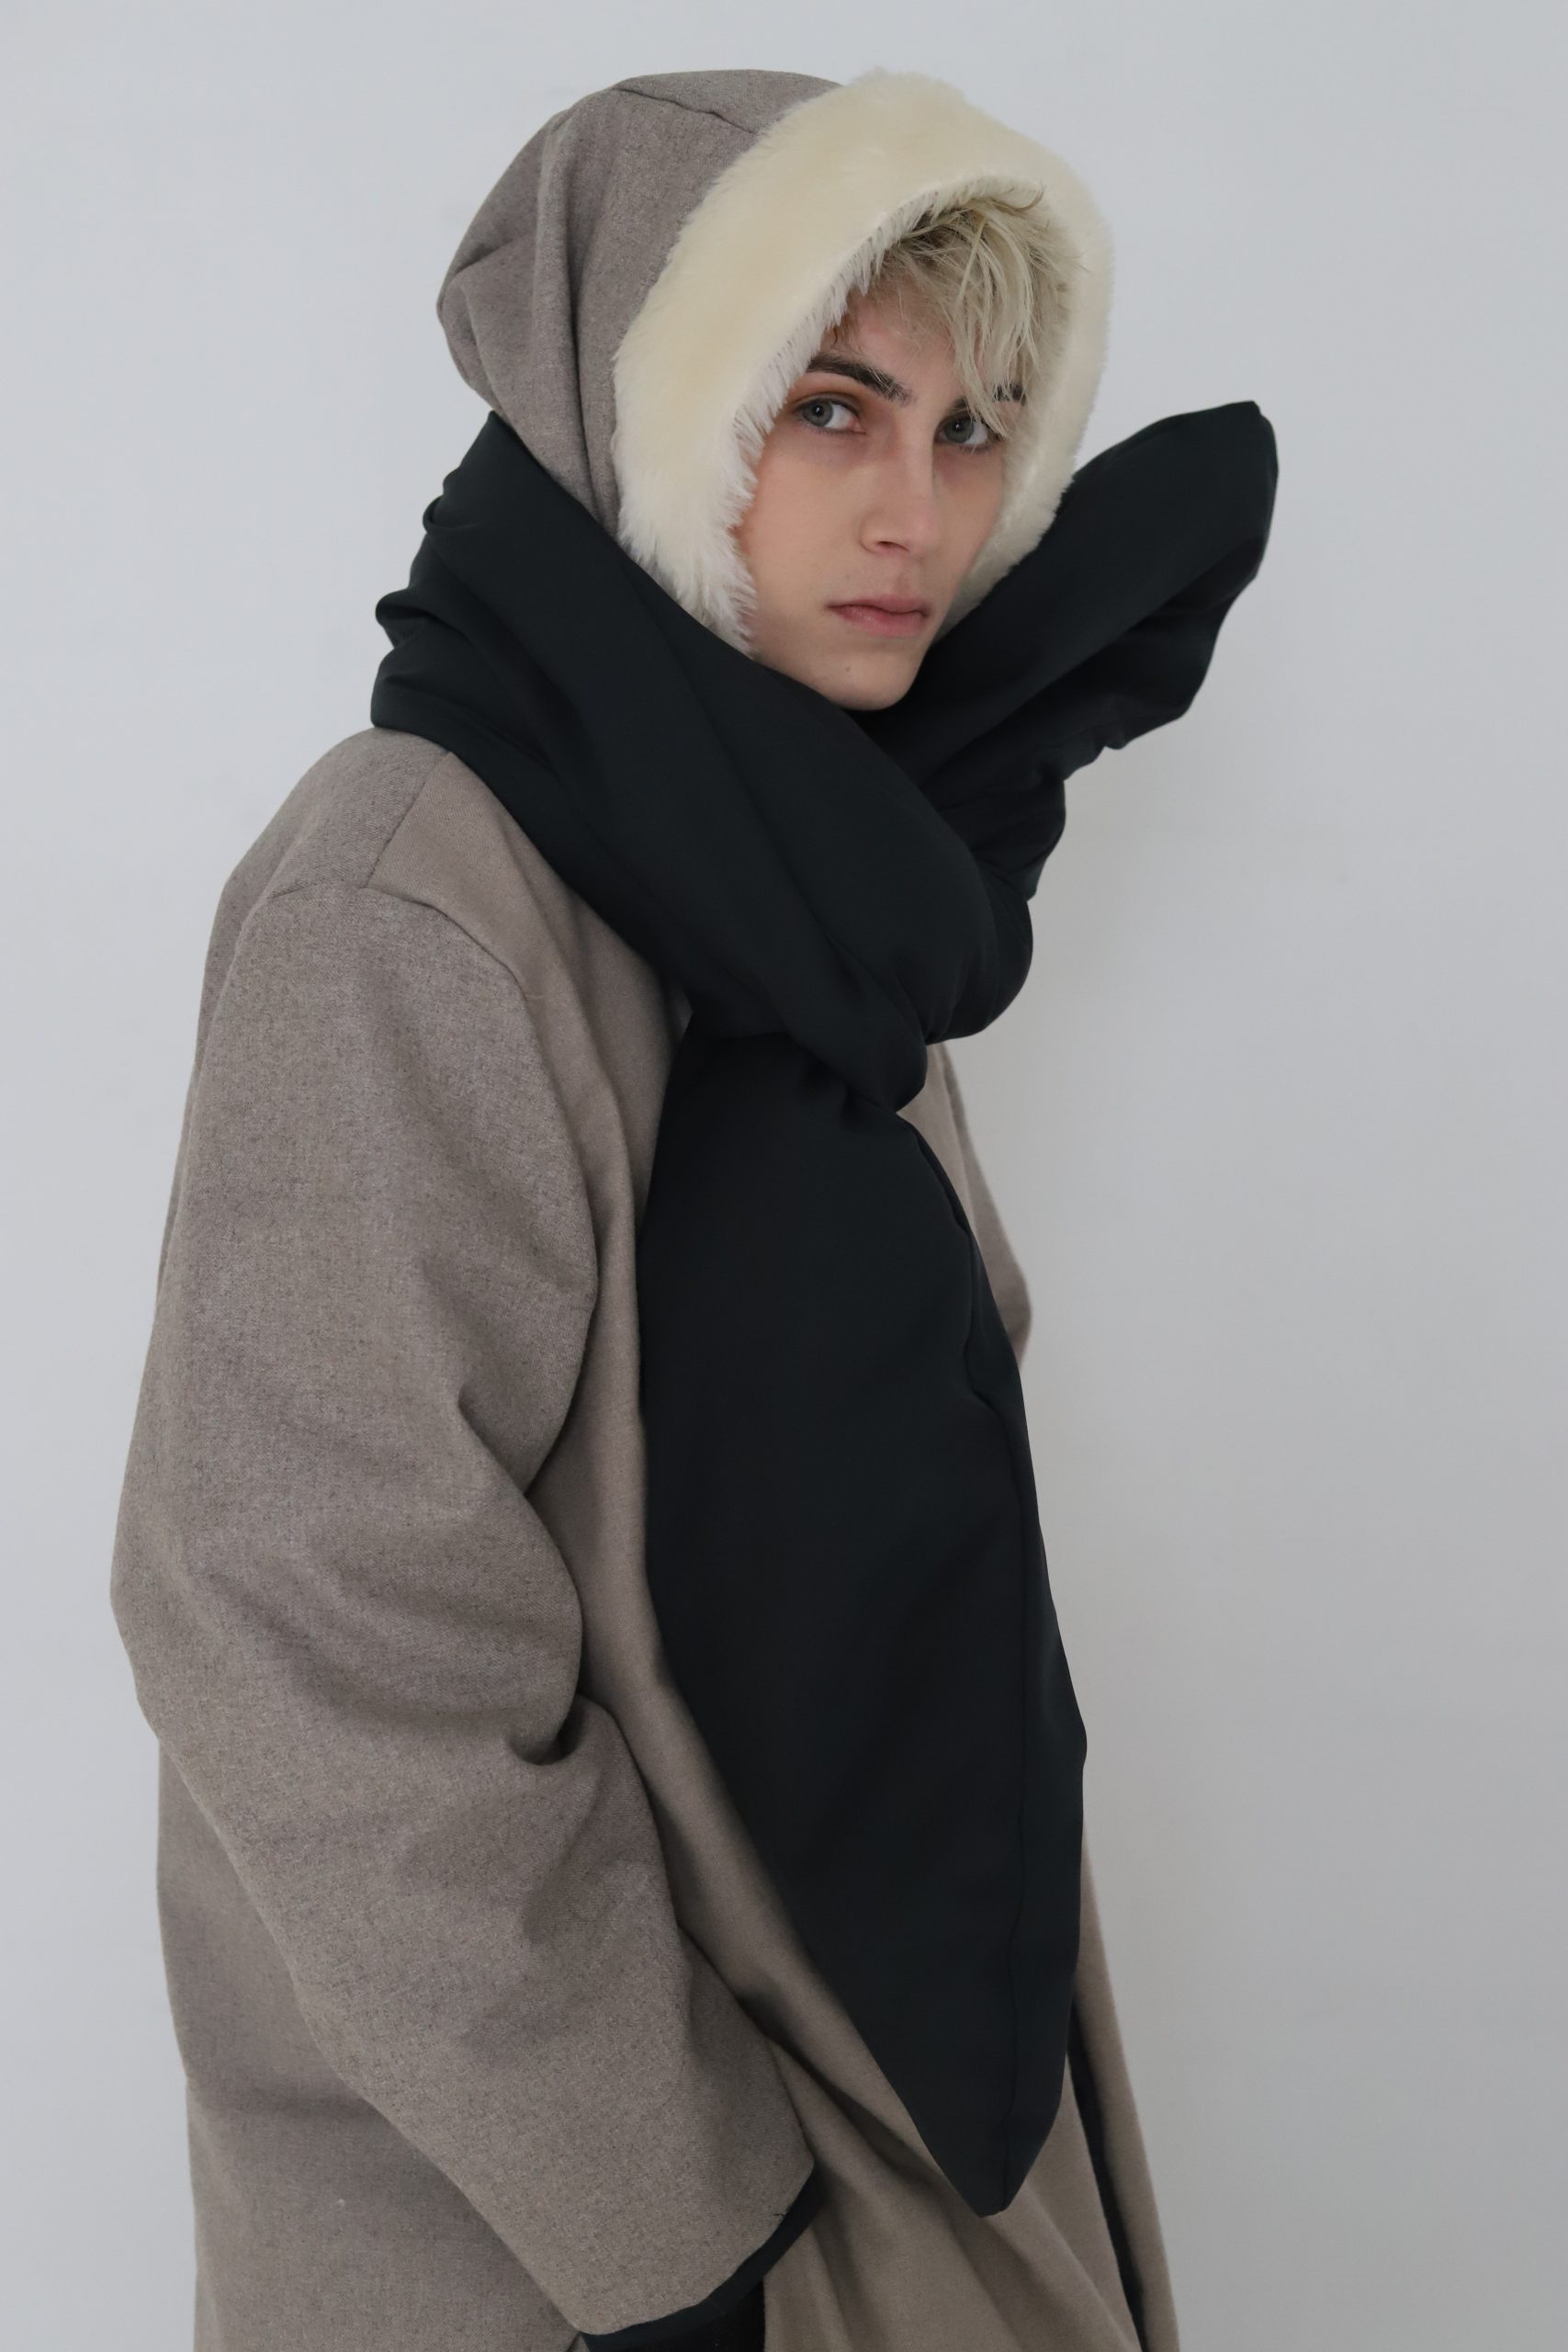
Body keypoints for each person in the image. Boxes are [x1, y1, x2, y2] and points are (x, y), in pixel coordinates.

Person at [109, 64, 1277, 2352]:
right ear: (636, 411)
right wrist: (675, 2236)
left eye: (971, 428)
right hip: (571, 2226)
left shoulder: (828, 897)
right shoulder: (411, 898)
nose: (917, 508)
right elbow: (312, 1644)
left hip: (886, 2091)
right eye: (828, 407)